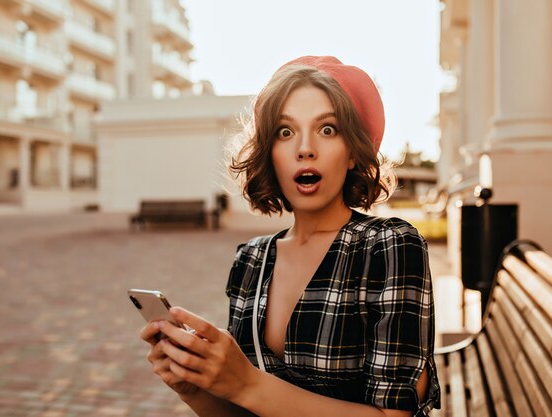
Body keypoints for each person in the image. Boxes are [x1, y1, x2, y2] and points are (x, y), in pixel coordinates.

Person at [141, 56, 440, 416]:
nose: (304, 148)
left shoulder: (388, 245)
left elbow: (395, 415)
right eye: (285, 132)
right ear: (271, 154)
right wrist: (196, 389)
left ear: (351, 153)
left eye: (327, 129)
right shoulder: (251, 259)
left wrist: (245, 383)